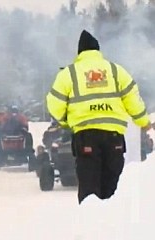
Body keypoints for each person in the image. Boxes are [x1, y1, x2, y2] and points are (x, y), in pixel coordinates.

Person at [46, 30, 152, 204]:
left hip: (86, 137)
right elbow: (133, 99)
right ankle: (112, 225)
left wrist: (65, 122)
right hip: (114, 138)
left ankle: (91, 226)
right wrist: (144, 122)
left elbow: (54, 104)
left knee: (89, 188)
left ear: (80, 53)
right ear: (98, 50)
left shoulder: (69, 73)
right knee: (113, 188)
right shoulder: (116, 70)